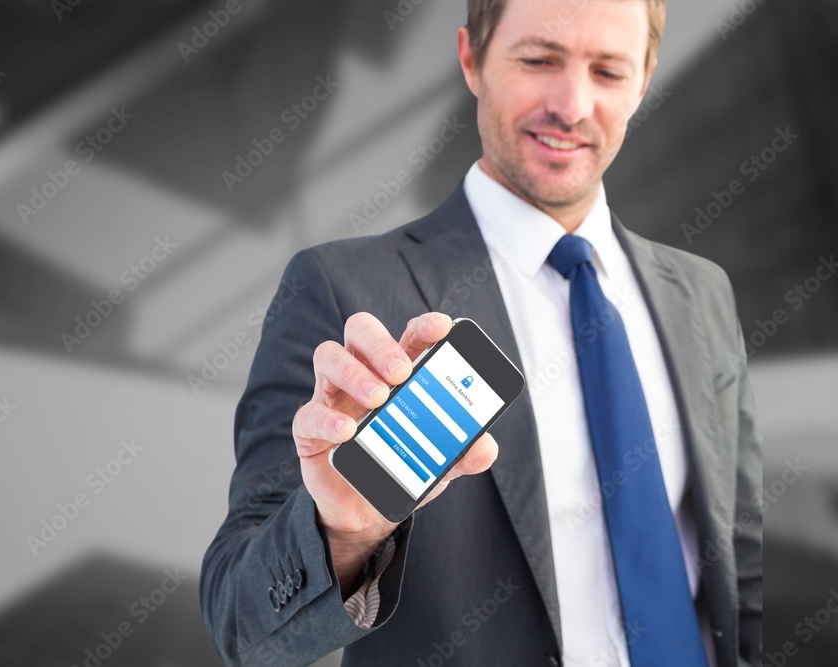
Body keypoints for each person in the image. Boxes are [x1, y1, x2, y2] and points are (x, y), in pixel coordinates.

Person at [200, 0, 763, 665]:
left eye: (608, 71)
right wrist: (341, 534)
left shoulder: (702, 294)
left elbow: (737, 561)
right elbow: (242, 625)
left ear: (643, 81)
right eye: (538, 59)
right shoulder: (340, 287)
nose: (572, 105)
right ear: (471, 58)